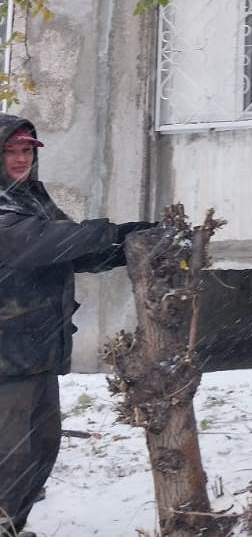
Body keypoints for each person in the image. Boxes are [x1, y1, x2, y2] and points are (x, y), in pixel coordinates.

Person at [0, 115, 153, 537]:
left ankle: (11, 524)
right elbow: (42, 243)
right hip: (5, 357)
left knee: (41, 448)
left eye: (26, 151)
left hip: (35, 351)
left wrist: (127, 242)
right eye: (9, 151)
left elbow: (73, 251)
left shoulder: (30, 198)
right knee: (8, 454)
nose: (19, 160)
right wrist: (108, 232)